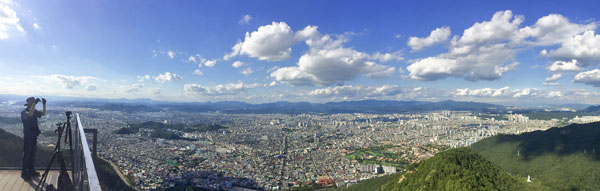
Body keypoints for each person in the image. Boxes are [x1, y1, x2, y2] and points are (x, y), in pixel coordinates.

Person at [20, 97, 46, 180]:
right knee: (26, 155)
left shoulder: (34, 111)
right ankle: (24, 173)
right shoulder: (23, 112)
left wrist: (44, 104)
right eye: (32, 103)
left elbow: (43, 114)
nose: (33, 104)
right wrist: (34, 104)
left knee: (32, 154)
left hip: (34, 135)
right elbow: (29, 114)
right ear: (29, 104)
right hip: (28, 136)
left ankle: (31, 170)